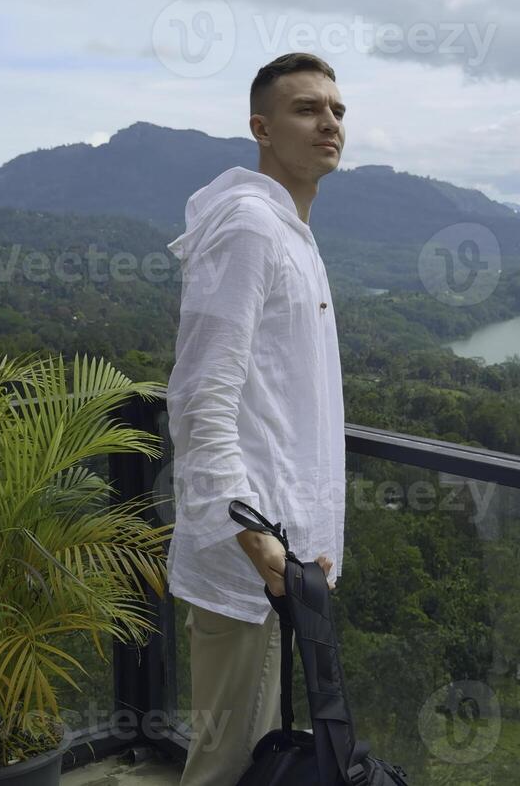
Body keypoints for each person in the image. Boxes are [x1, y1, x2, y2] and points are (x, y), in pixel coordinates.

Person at [163, 52, 348, 786]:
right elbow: (201, 394)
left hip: (289, 556)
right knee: (226, 765)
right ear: (261, 129)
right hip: (255, 560)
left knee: (265, 763)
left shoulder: (290, 231)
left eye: (336, 111)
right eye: (307, 109)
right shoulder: (249, 228)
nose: (329, 123)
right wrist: (253, 536)